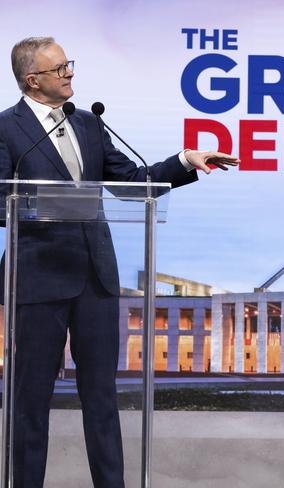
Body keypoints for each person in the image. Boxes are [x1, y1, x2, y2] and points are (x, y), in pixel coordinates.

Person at [0, 36, 239, 488]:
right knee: (30, 403)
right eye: (60, 69)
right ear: (33, 80)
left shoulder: (88, 124)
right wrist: (58, 203)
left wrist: (187, 161)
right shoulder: (5, 129)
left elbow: (132, 183)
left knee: (103, 400)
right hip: (36, 282)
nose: (70, 73)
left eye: (69, 64)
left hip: (95, 281)